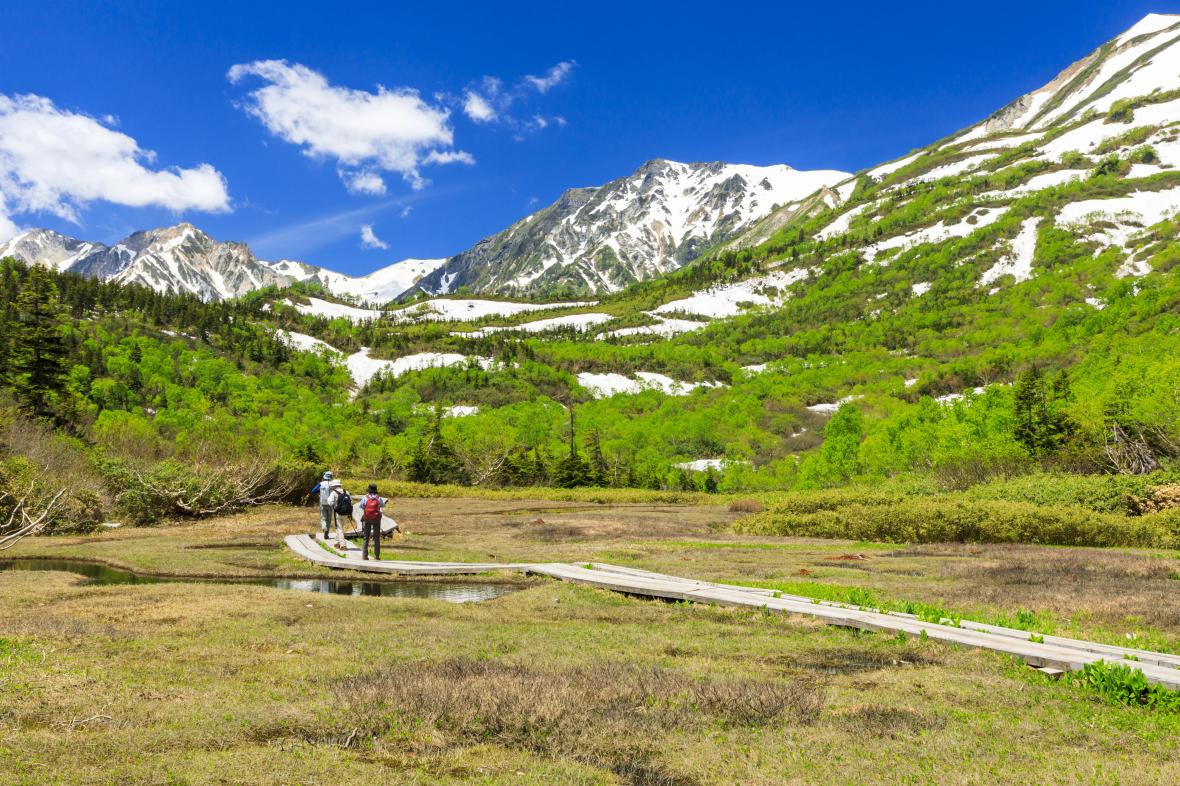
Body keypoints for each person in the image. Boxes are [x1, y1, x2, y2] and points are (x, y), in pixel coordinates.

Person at [359, 483, 386, 560]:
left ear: (369, 490)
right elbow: (383, 505)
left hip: (367, 518)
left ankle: (365, 555)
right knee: (377, 538)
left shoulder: (365, 498)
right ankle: (376, 556)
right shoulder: (378, 498)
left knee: (366, 537)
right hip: (376, 519)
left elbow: (361, 506)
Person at [314, 471, 336, 540]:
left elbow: (313, 490)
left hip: (322, 503)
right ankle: (327, 533)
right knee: (329, 519)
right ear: (331, 477)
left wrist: (319, 493)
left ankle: (324, 528)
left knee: (323, 518)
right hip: (330, 503)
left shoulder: (321, 484)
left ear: (324, 477)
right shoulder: (333, 484)